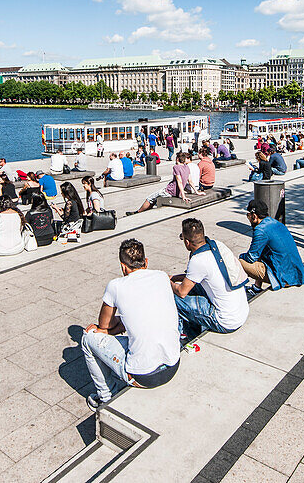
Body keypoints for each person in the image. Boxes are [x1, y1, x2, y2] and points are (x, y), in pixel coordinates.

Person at [80, 239, 180, 410]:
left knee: (88, 339)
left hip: (144, 376)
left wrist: (105, 329)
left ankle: (106, 396)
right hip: (172, 365)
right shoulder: (162, 276)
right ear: (146, 262)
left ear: (123, 266)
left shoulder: (116, 286)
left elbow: (104, 324)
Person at [170, 218, 249, 339]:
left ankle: (187, 336)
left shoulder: (198, 260)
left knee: (173, 297)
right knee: (192, 288)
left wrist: (168, 281)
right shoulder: (217, 246)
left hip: (225, 322)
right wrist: (175, 277)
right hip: (241, 313)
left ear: (187, 242)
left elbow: (181, 292)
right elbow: (195, 277)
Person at [238, 199, 304, 291]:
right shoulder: (275, 223)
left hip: (285, 278)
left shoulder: (260, 230)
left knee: (240, 261)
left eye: (248, 215)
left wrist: (242, 256)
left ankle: (236, 291)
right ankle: (256, 287)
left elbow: (251, 257)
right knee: (261, 252)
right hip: (298, 274)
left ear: (254, 216)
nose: (248, 218)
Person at [130, 152, 195, 214]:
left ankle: (138, 212)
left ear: (177, 159)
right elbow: (190, 181)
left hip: (170, 191)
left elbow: (179, 181)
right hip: (177, 192)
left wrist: (183, 196)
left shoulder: (176, 167)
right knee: (155, 198)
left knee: (150, 198)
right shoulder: (187, 167)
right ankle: (147, 209)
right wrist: (196, 191)